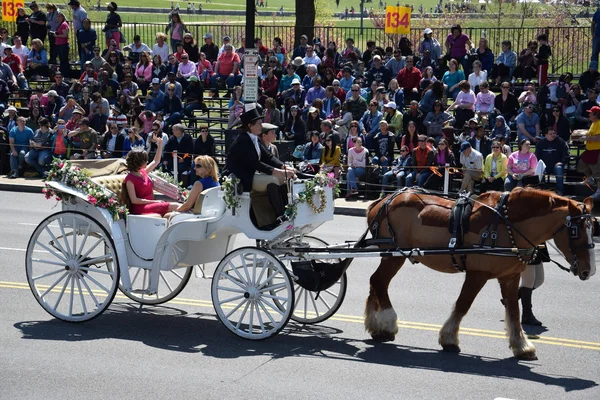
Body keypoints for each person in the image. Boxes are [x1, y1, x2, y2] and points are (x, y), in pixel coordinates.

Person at [224, 103, 296, 225]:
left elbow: (267, 157)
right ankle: (280, 216)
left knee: (283, 179)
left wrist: (284, 167)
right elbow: (255, 163)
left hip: (251, 174)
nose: (261, 126)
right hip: (243, 177)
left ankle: (286, 210)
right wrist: (278, 171)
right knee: (274, 179)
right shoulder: (243, 140)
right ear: (250, 126)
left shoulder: (256, 138)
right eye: (258, 124)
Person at [121, 137, 179, 217]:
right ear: (138, 162)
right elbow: (134, 200)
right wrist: (154, 202)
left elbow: (156, 161)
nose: (147, 162)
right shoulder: (130, 180)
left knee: (173, 212)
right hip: (141, 207)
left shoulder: (143, 172)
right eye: (145, 160)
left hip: (151, 203)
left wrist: (160, 144)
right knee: (176, 206)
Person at [535, 129, 569, 195]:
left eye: (554, 133)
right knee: (539, 168)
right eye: (550, 134)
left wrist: (562, 162)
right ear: (546, 135)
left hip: (556, 165)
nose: (553, 135)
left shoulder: (560, 141)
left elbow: (566, 154)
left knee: (559, 169)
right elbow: (537, 155)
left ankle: (560, 191)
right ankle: (540, 190)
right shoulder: (540, 143)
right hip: (544, 165)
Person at [577, 106, 600, 200]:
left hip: (597, 151)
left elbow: (598, 138)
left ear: (596, 115)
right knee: (581, 165)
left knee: (598, 173)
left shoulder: (599, 123)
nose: (589, 114)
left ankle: (599, 191)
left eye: (591, 113)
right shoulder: (593, 123)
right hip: (590, 151)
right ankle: (590, 178)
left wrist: (586, 138)